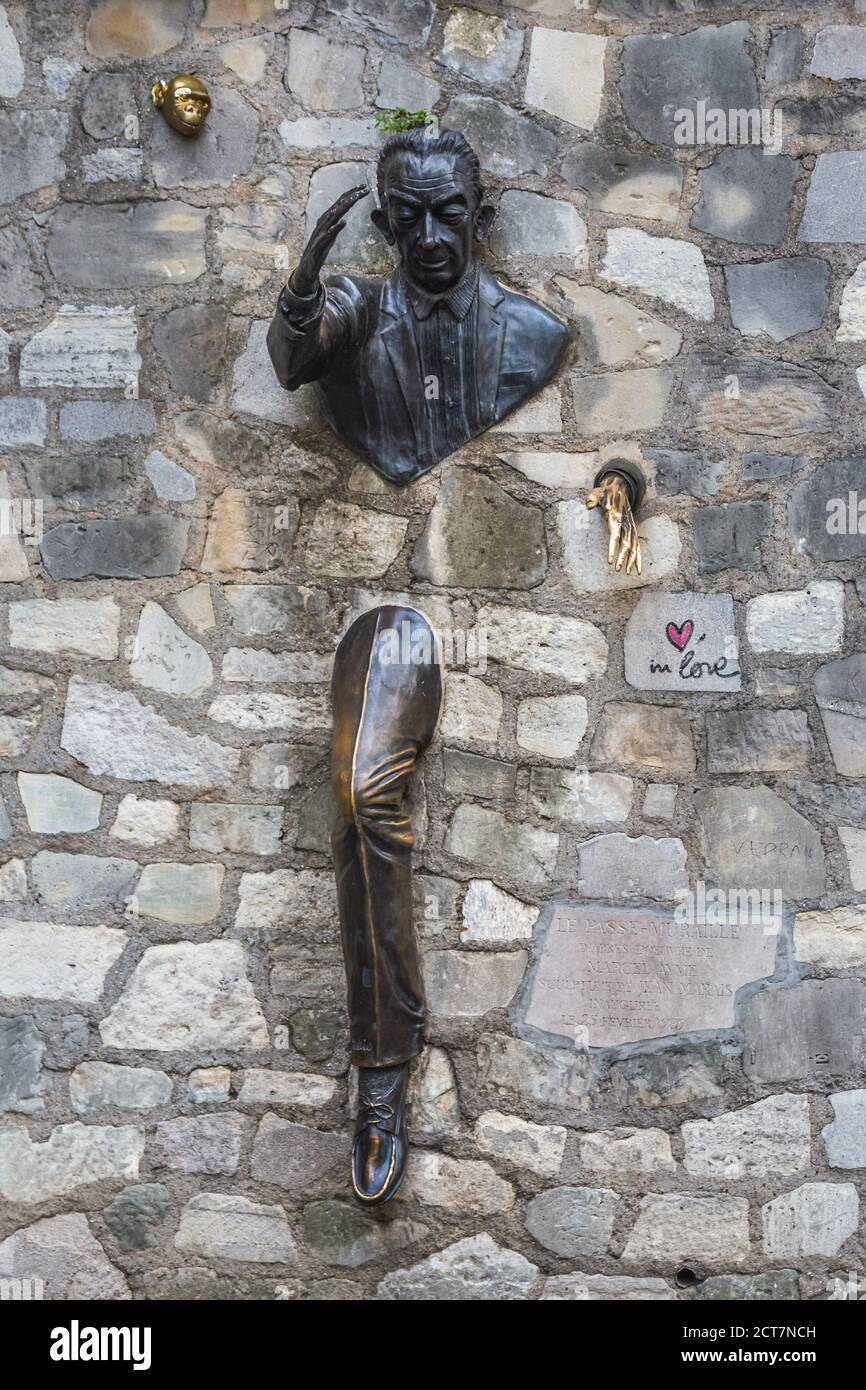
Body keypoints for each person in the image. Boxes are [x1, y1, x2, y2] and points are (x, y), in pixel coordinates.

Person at [267, 126, 570, 484]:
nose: (428, 239)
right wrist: (301, 291)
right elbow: (291, 367)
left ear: (481, 222)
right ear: (386, 227)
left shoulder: (537, 332)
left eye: (448, 214)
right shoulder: (356, 308)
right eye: (409, 217)